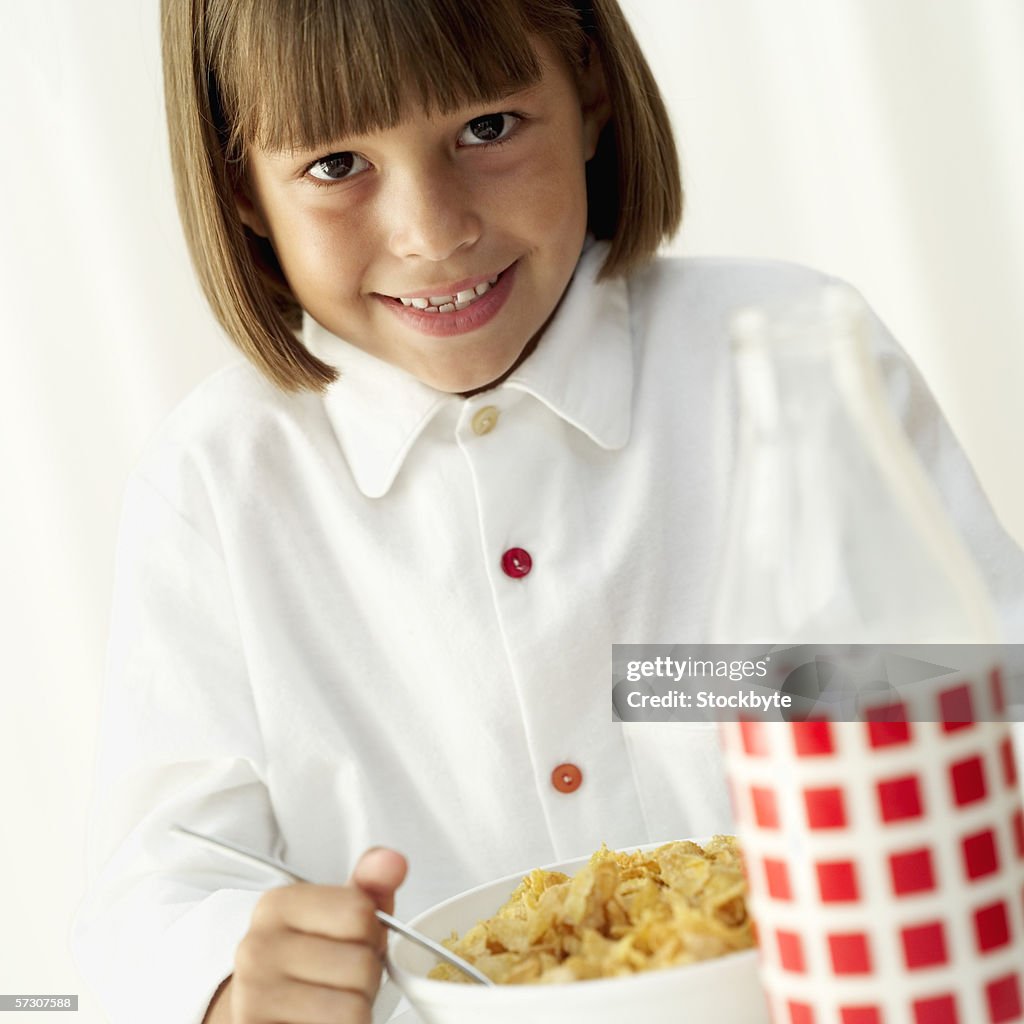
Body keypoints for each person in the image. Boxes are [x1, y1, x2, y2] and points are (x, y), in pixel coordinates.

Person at [73, 1, 1024, 1023]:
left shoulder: (788, 354)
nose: (432, 233)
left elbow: (986, 704)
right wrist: (235, 979)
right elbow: (149, 898)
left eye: (486, 129)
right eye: (337, 164)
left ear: (589, 93)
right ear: (242, 190)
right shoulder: (216, 480)